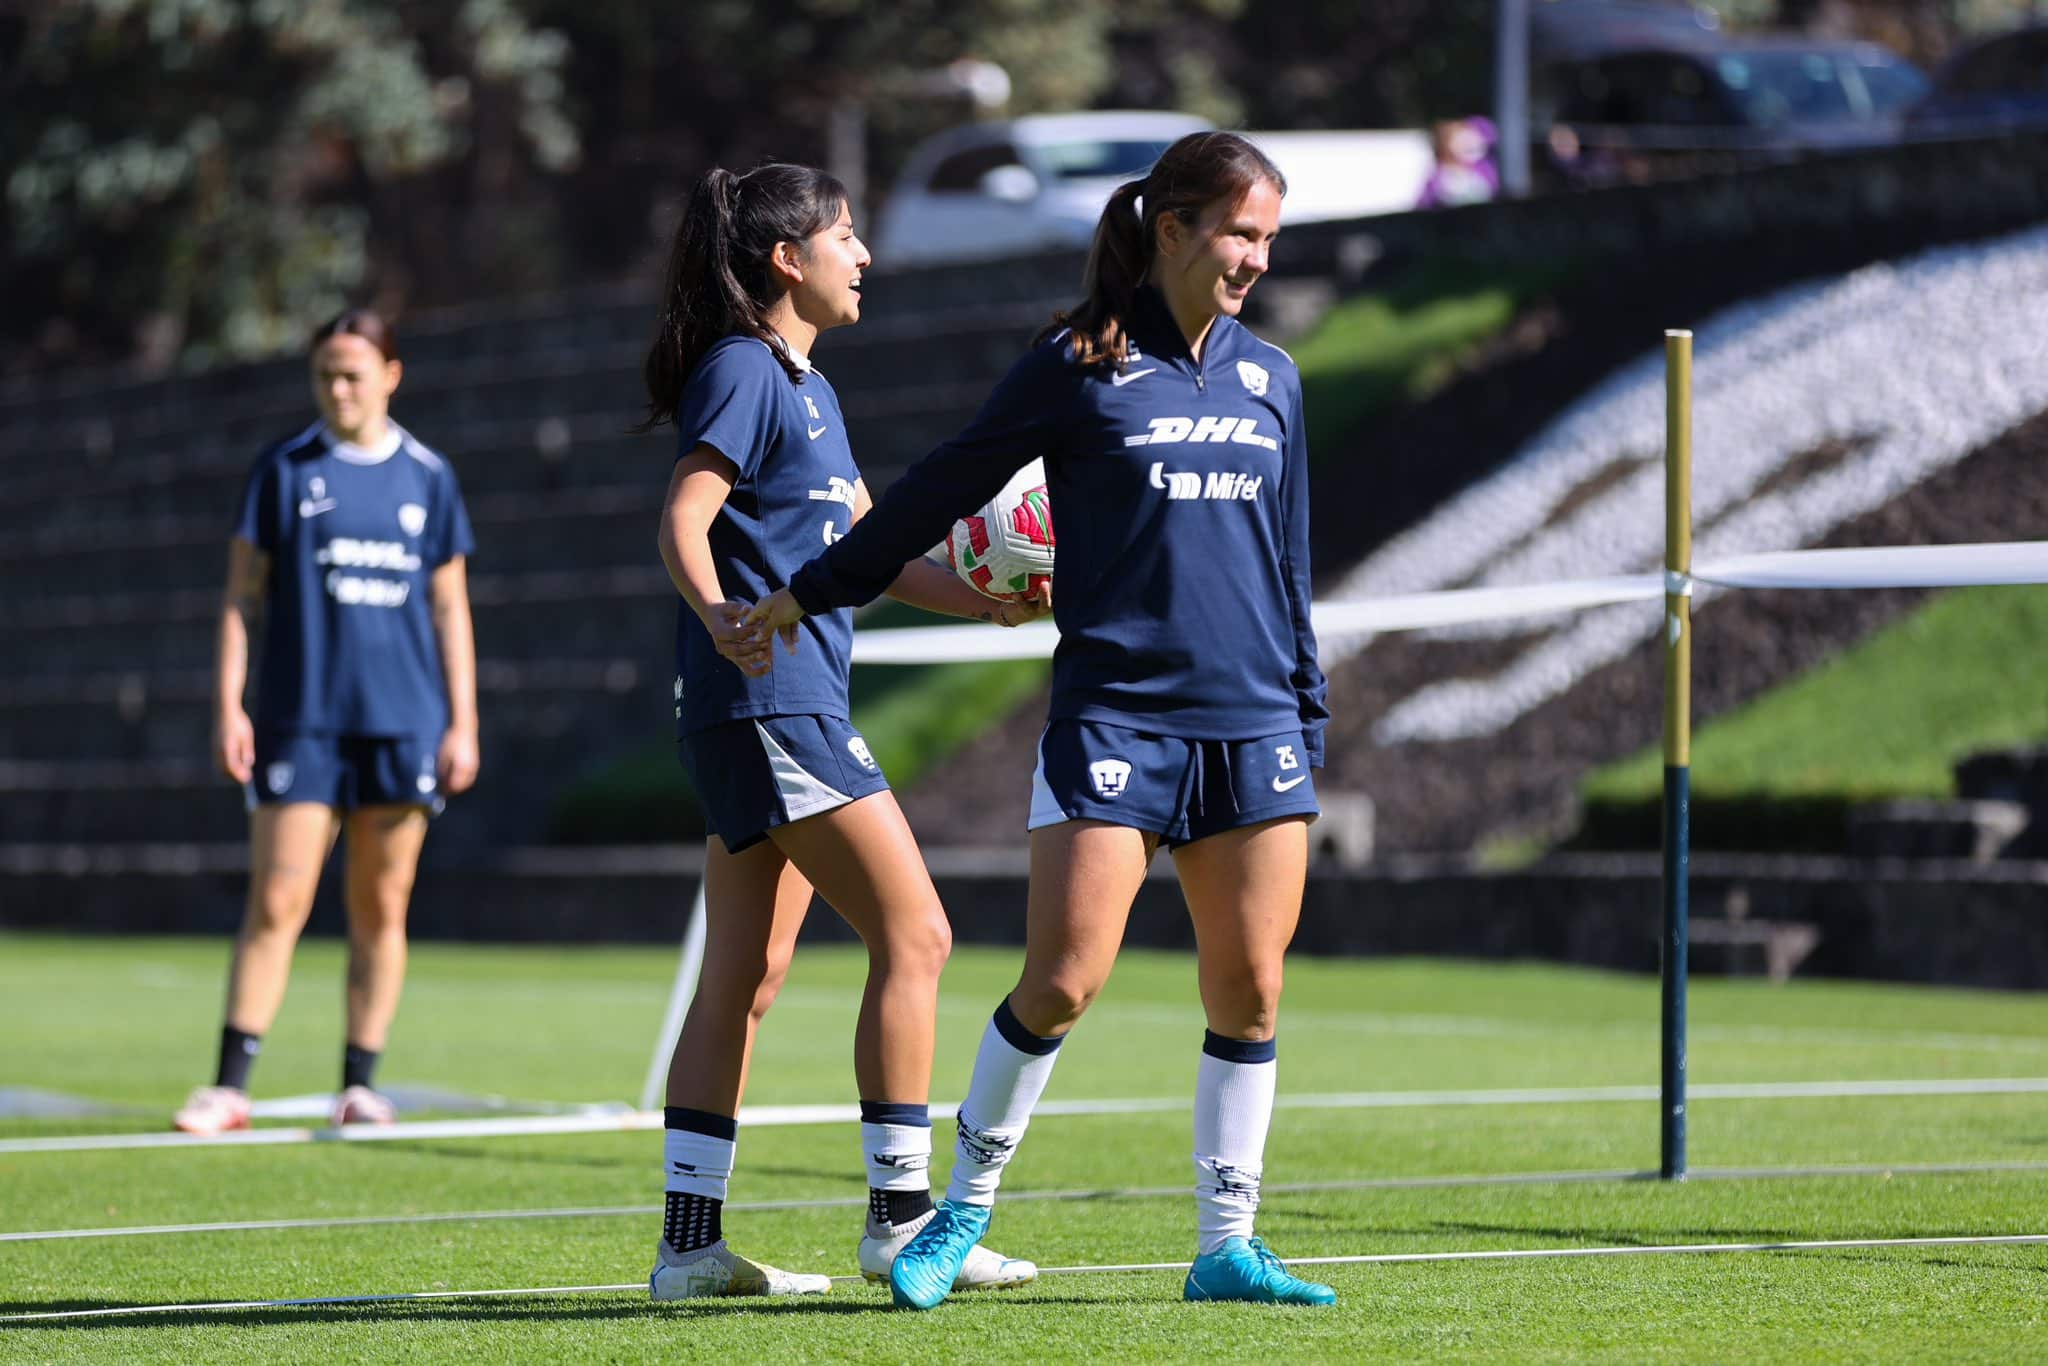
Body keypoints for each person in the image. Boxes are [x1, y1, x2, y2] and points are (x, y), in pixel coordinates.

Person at [746, 130, 1338, 1309]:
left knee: (1251, 990)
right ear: (1170, 231)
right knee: (1062, 980)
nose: (1254, 261)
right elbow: (937, 487)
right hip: (1116, 721)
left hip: (1256, 722)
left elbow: (1289, 562)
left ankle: (1227, 1244)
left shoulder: (1272, 378)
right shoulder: (1073, 365)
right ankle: (955, 1215)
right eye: (1237, 234)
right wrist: (809, 589)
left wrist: (1307, 713)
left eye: (1268, 240)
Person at [638, 161, 1046, 1301]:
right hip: (774, 706)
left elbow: (870, 556)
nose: (862, 256)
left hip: (760, 711)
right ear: (787, 259)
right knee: (916, 936)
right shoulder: (745, 369)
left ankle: (688, 1249)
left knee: (746, 975)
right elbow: (684, 513)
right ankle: (901, 1218)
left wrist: (998, 598)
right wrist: (715, 608)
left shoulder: (811, 389)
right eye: (846, 236)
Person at [173, 309, 479, 1136]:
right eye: (325, 376)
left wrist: (463, 723)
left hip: (403, 721)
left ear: (390, 375)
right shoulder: (283, 470)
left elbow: (451, 608)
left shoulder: (427, 475)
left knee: (382, 902)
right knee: (280, 896)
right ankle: (229, 1085)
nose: (339, 389)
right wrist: (230, 702)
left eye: (353, 373)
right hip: (300, 720)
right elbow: (241, 597)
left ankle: (359, 1083)